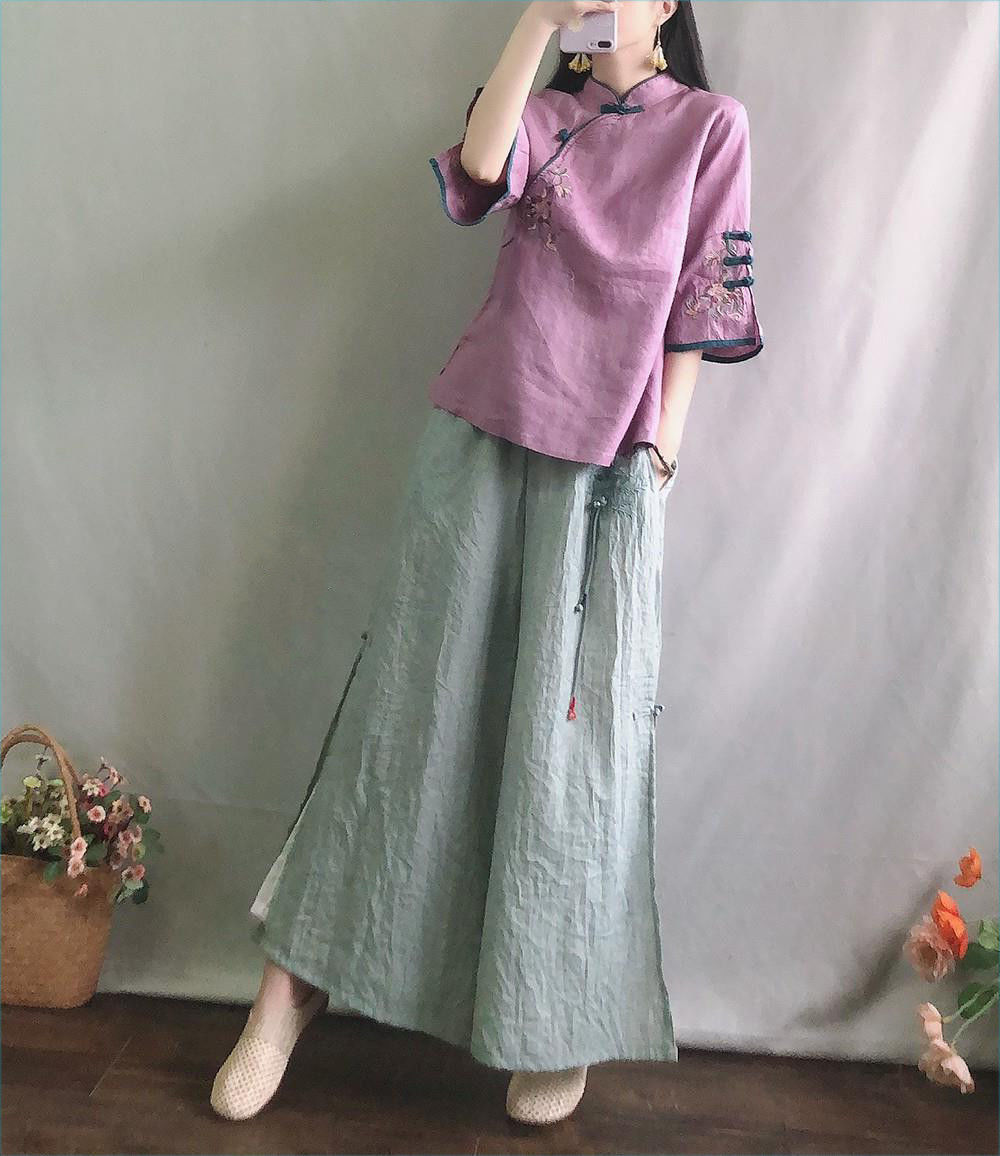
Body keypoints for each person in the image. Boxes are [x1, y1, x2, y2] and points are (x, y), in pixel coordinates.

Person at [211, 0, 763, 1128]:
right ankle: (288, 990)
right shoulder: (544, 113)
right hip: (477, 442)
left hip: (610, 471)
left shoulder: (710, 127)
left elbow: (705, 294)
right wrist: (538, 19)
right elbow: (476, 166)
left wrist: (665, 447)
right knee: (404, 716)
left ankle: (554, 1016)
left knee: (574, 752)